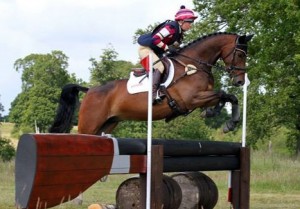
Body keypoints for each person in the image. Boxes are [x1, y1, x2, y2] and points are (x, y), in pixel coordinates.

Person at [137, 5, 198, 104]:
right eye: (190, 22)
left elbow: (175, 47)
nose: (191, 25)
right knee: (160, 67)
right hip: (145, 49)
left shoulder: (179, 32)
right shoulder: (171, 27)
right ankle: (154, 94)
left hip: (156, 51)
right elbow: (155, 39)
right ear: (181, 21)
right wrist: (167, 48)